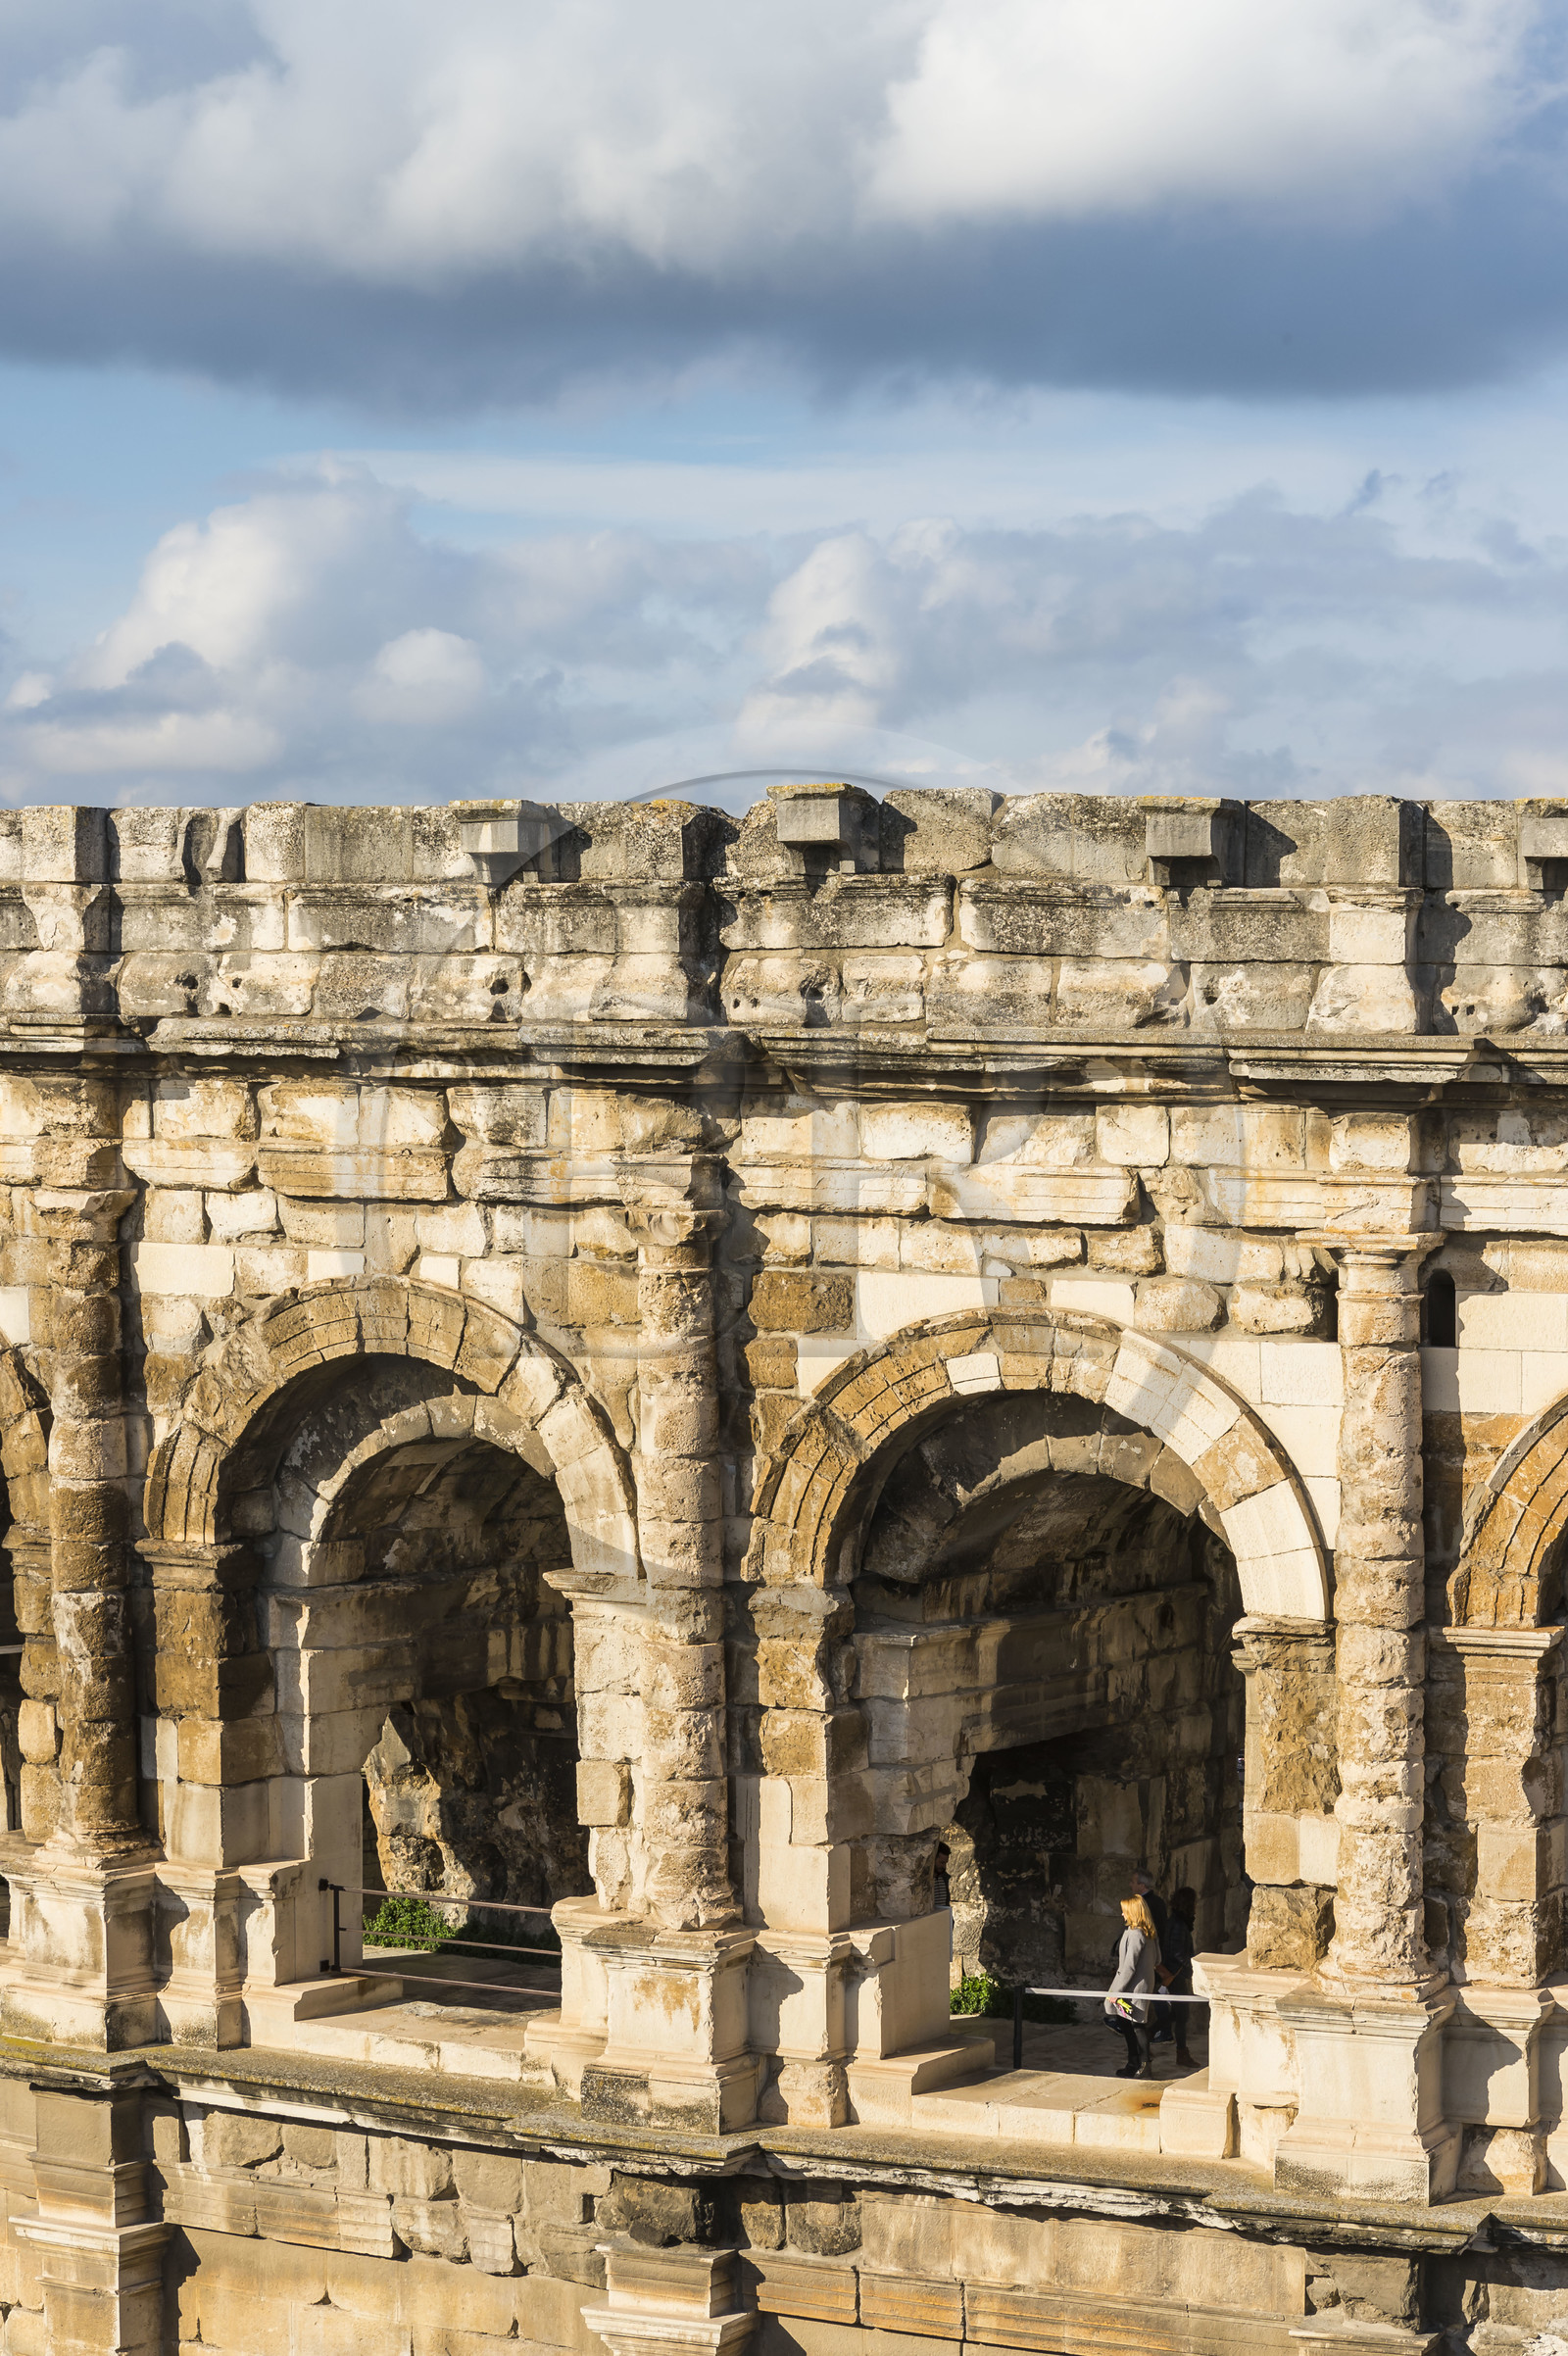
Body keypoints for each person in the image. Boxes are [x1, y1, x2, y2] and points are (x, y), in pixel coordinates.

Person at [1103, 1894, 1159, 2078]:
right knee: (1130, 2024)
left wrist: (1115, 1992)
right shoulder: (1149, 1932)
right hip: (1141, 1986)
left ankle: (1142, 2064)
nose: (1122, 1914)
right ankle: (1135, 2063)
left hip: (1131, 1989)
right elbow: (1158, 1959)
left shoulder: (1134, 1933)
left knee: (1135, 2026)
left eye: (1125, 1910)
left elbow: (1128, 1967)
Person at [1160, 1886, 1199, 2069]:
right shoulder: (1177, 1924)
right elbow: (1176, 1952)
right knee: (1182, 2016)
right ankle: (1182, 2054)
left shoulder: (1178, 1921)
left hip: (1177, 1972)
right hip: (1175, 1974)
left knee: (1177, 2014)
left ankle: (1149, 2034)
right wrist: (1191, 1967)